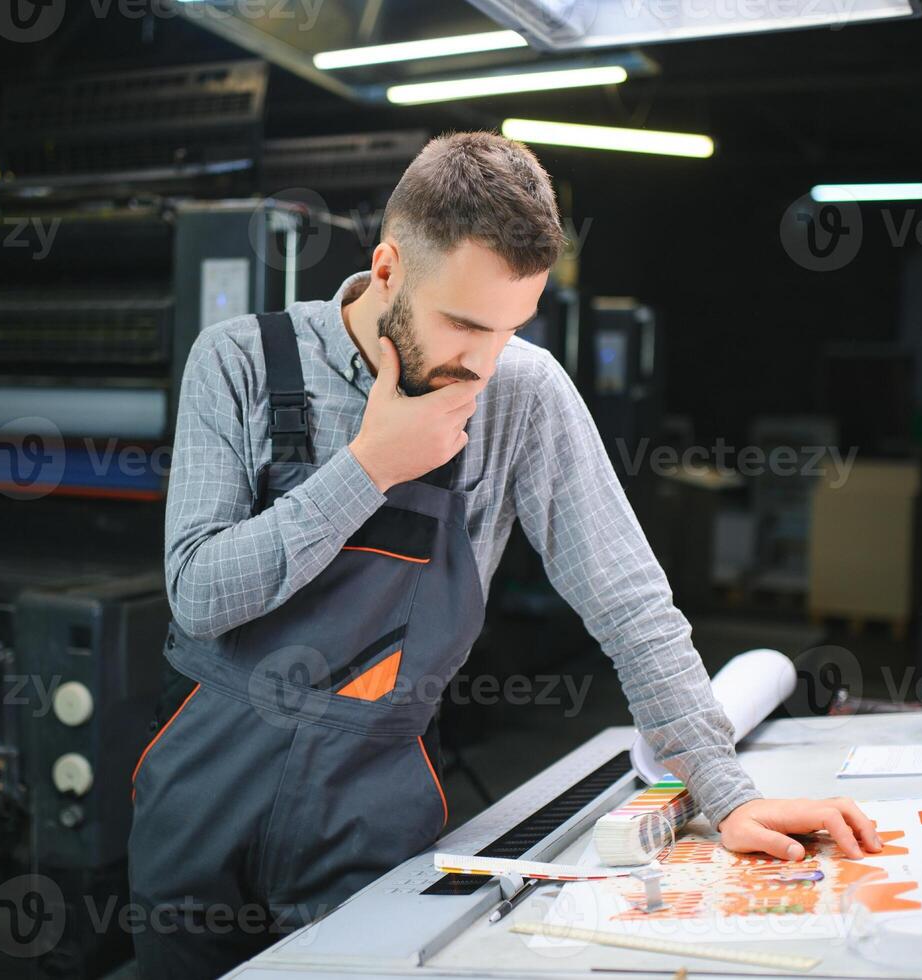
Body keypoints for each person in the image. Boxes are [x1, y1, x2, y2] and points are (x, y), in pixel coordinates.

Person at [128, 131, 881, 979]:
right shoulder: (236, 362)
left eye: (509, 327)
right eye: (462, 324)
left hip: (366, 815)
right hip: (203, 797)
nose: (483, 362)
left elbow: (629, 603)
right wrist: (372, 464)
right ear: (386, 271)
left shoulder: (523, 391)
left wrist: (727, 795)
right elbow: (197, 593)